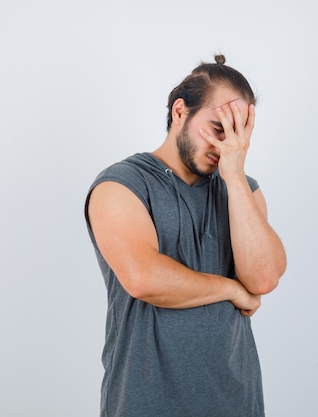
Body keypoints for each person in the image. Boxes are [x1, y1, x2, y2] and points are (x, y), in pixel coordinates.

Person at [84, 54, 287, 417]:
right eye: (218, 128)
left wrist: (236, 178)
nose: (226, 147)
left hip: (237, 402)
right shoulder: (122, 184)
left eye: (239, 135)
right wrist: (230, 289)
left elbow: (264, 276)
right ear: (180, 112)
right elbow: (144, 278)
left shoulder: (243, 191)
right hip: (145, 401)